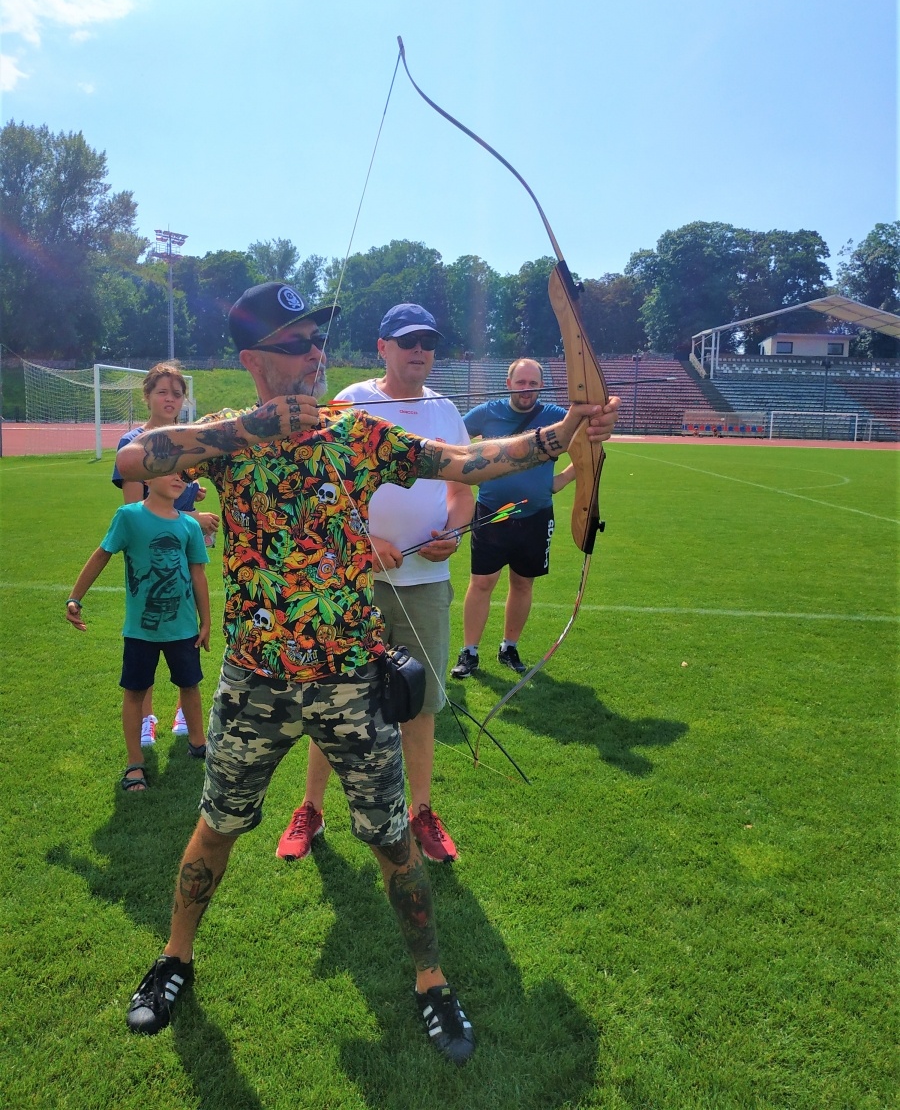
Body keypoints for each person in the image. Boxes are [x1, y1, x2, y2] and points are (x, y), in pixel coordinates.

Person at [114, 281, 620, 1064]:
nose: (315, 357)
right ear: (253, 359)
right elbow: (130, 461)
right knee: (217, 826)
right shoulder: (223, 434)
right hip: (255, 678)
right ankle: (174, 958)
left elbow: (458, 459)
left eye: (319, 342)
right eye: (295, 345)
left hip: (351, 678)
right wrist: (254, 426)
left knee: (391, 840)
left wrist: (560, 436)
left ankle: (430, 979)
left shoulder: (356, 431)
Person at [277, 303, 473, 867]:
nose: (419, 351)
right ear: (382, 346)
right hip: (351, 585)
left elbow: (462, 486)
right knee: (331, 697)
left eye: (428, 342)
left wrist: (454, 532)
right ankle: (310, 809)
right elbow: (319, 490)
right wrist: (363, 545)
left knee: (421, 703)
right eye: (407, 340)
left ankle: (422, 813)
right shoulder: (350, 402)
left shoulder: (445, 410)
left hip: (426, 581)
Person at [66, 472, 211, 792]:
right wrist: (75, 598)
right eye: (169, 471)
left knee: (190, 684)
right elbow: (102, 554)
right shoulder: (129, 517)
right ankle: (135, 763)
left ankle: (199, 744)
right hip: (140, 631)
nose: (178, 479)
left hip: (182, 628)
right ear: (147, 476)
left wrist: (205, 622)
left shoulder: (189, 525)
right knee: (134, 691)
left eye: (182, 474)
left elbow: (198, 574)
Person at [111, 361, 220, 745]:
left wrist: (191, 493)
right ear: (148, 396)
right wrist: (195, 516)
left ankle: (181, 712)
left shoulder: (184, 440)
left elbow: (174, 490)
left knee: (183, 626)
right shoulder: (133, 445)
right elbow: (134, 509)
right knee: (149, 626)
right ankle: (146, 717)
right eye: (163, 392)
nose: (171, 399)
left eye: (177, 393)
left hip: (185, 548)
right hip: (149, 554)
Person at [451, 358, 576, 679]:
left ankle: (509, 647)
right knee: (482, 583)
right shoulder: (486, 413)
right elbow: (451, 441)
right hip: (491, 515)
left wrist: (558, 481)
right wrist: (470, 474)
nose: (527, 389)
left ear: (541, 385)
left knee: (522, 583)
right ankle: (469, 652)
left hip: (536, 516)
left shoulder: (557, 417)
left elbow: (591, 446)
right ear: (509, 383)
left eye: (533, 383)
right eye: (521, 382)